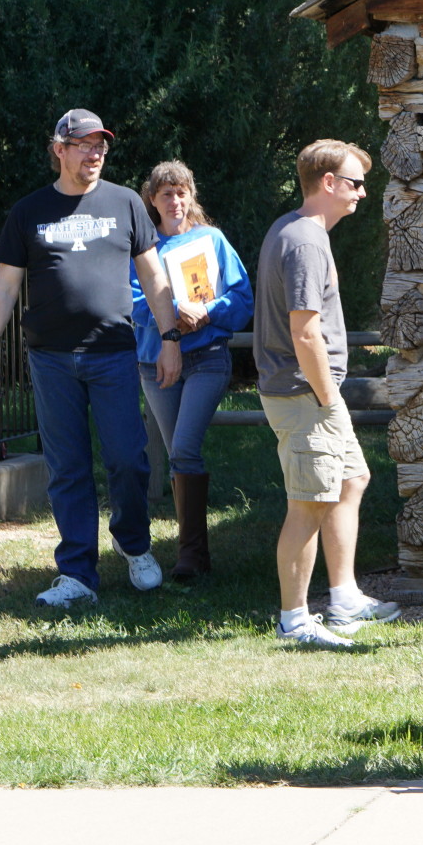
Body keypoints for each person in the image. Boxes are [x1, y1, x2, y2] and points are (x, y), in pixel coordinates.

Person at [0, 109, 182, 607]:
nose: (94, 154)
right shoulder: (29, 211)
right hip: (50, 359)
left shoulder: (126, 203)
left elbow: (153, 277)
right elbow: (4, 289)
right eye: (84, 145)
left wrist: (170, 336)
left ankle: (133, 545)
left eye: (101, 146)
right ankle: (78, 575)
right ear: (59, 150)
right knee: (67, 467)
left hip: (113, 354)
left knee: (129, 460)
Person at [255, 140, 400, 649]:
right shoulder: (306, 242)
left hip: (313, 393)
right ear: (328, 184)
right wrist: (324, 395)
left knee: (352, 479)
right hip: (305, 393)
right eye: (356, 182)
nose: (363, 192)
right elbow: (305, 333)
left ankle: (343, 597)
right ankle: (294, 619)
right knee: (309, 503)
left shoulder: (296, 231)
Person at [131, 160, 254, 580]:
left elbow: (242, 299)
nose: (175, 200)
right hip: (155, 365)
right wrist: (169, 312)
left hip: (206, 359)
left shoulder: (212, 240)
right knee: (177, 455)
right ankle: (195, 556)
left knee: (184, 449)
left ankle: (190, 556)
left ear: (191, 196)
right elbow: (130, 300)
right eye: (166, 193)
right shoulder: (141, 250)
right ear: (152, 200)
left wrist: (207, 311)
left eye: (182, 192)